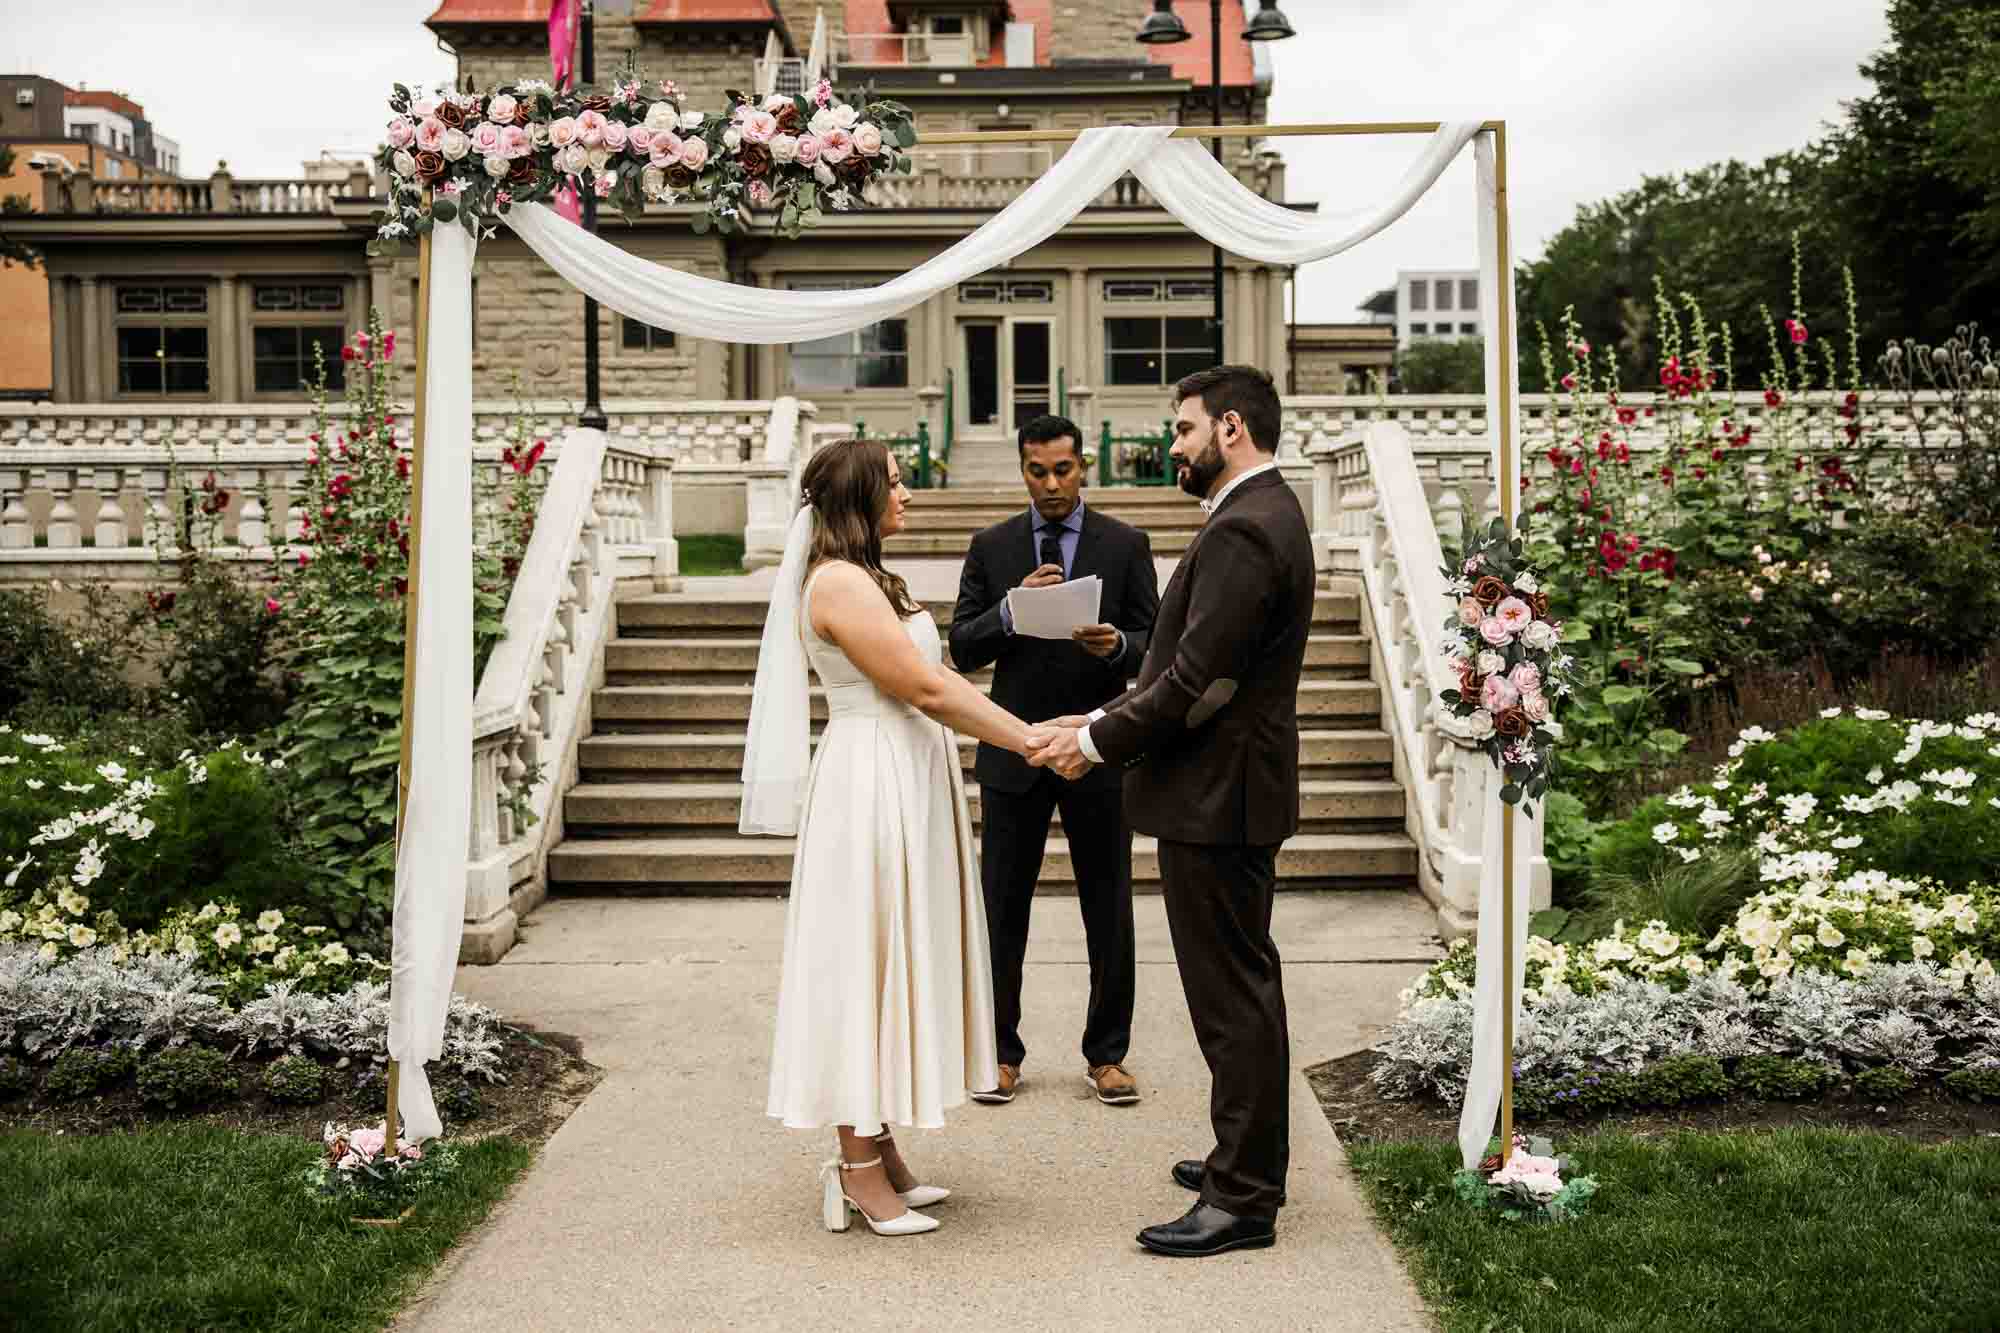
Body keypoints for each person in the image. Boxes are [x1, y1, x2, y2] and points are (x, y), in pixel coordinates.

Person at [1028, 366, 1315, 1258]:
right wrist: (1103, 712)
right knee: (1239, 988)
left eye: (1184, 428)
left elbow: (1201, 681)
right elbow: (1186, 667)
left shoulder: (1244, 528)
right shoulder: (1262, 514)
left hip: (1220, 794)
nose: (1174, 444)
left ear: (1231, 428)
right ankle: (1245, 1156)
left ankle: (1243, 1198)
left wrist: (1099, 743)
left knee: (1232, 999)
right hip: (1225, 788)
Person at [746, 438, 1044, 1237]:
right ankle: (855, 1169)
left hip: (901, 776)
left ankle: (881, 1149)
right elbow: (922, 685)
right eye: (896, 481)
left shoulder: (869, 575)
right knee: (863, 958)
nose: (907, 492)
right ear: (859, 496)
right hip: (867, 784)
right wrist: (1027, 738)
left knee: (890, 954)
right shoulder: (837, 583)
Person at [948, 414, 1160, 1108]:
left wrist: (1117, 649)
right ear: (1022, 470)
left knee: (1110, 903)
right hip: (1015, 747)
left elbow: (1156, 642)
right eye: (1036, 471)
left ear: (1083, 466)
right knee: (1002, 906)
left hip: (1100, 748)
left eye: (1062, 469)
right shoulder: (993, 545)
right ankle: (1000, 1053)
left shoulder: (1126, 544)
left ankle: (1108, 1055)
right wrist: (1012, 611)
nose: (1050, 484)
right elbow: (962, 648)